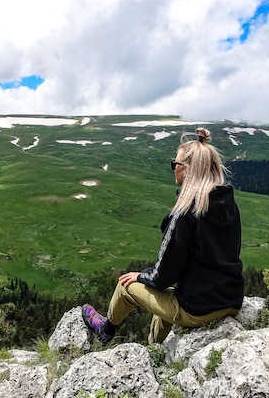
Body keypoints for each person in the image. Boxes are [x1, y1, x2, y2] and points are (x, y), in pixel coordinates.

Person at [82, 127, 245, 344]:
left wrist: (141, 276)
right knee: (169, 297)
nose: (173, 169)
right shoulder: (228, 203)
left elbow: (164, 274)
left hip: (198, 309)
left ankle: (106, 329)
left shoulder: (184, 213)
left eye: (174, 165)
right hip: (231, 300)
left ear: (186, 169)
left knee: (125, 285)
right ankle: (155, 347)